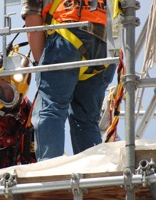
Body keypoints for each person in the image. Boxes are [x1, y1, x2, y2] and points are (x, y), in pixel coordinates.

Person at [21, 0, 117, 161]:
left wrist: (42, 65)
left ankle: (50, 169)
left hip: (68, 38)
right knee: (86, 119)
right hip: (106, 47)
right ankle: (92, 170)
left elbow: (33, 18)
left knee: (50, 109)